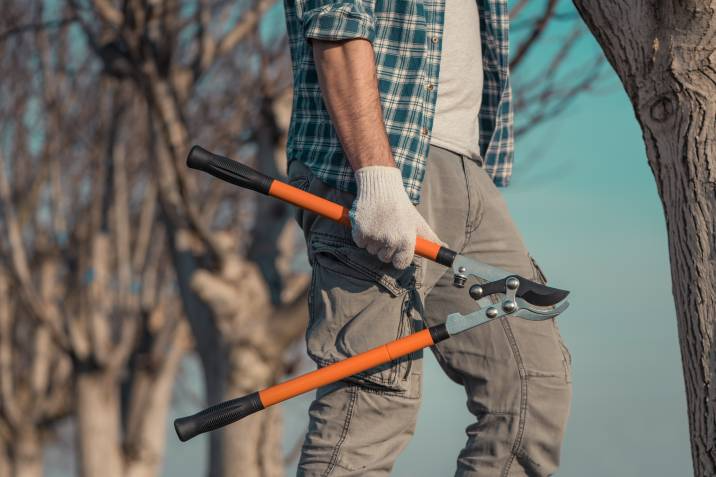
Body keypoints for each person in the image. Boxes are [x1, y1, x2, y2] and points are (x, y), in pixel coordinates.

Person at [283, 0, 572, 474]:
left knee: (530, 388)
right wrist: (376, 176)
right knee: (371, 403)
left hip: (468, 168)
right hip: (380, 162)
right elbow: (338, 22)